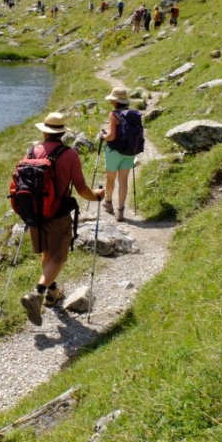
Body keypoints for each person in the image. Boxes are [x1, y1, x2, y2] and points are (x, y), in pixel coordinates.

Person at [20, 112, 105, 326]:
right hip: (57, 213)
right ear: (62, 133)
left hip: (34, 213)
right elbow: (82, 189)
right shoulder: (69, 155)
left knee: (48, 252)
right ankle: (37, 293)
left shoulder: (32, 151)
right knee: (58, 256)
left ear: (44, 131)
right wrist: (97, 196)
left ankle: (53, 292)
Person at [98, 88, 137, 222]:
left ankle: (108, 203)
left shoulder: (114, 114)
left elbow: (112, 136)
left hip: (114, 151)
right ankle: (120, 211)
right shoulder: (134, 113)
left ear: (115, 101)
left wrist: (102, 136)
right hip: (130, 151)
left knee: (110, 178)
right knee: (123, 181)